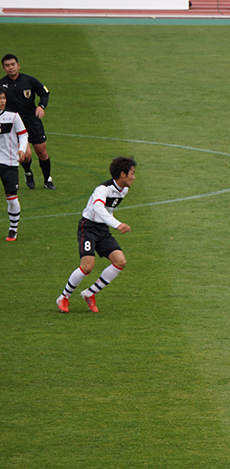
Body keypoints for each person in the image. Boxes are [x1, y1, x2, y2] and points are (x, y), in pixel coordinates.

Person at [56, 157, 137, 313]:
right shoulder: (103, 189)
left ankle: (90, 293)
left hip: (103, 230)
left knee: (120, 262)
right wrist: (117, 224)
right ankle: (64, 297)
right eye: (132, 173)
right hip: (88, 227)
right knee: (87, 266)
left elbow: (107, 210)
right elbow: (98, 208)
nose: (134, 177)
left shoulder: (124, 190)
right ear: (122, 174)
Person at [0, 54, 54, 190]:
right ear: (4, 68)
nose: (10, 67)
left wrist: (41, 106)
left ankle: (47, 179)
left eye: (13, 64)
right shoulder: (2, 84)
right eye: (7, 65)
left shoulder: (29, 80)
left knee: (42, 151)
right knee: (25, 154)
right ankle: (28, 171)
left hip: (31, 120)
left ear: (18, 65)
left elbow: (44, 93)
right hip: (13, 123)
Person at [0, 91, 28, 242]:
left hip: (9, 162)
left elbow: (23, 134)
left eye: (3, 98)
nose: (2, 101)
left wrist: (22, 149)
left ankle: (13, 229)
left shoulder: (13, 116)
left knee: (11, 196)